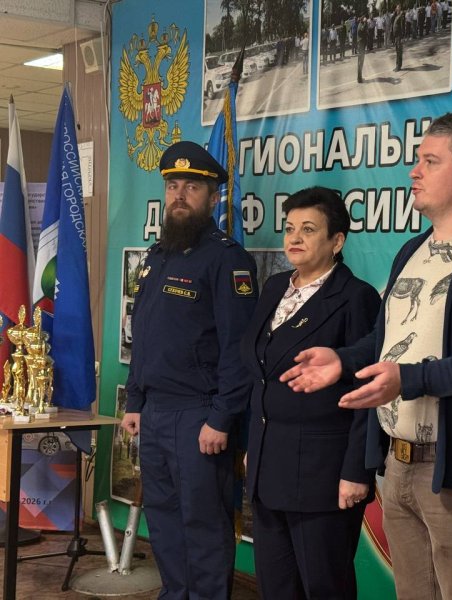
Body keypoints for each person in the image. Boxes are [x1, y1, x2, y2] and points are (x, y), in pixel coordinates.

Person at [281, 113, 452, 599]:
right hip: (396, 462)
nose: (413, 171)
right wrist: (343, 360)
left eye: (430, 161)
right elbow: (386, 343)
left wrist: (410, 379)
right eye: (417, 160)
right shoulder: (412, 251)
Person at [121, 141, 258, 600]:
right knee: (163, 521)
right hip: (155, 413)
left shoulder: (226, 259)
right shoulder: (159, 255)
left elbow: (240, 350)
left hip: (199, 415)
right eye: (172, 186)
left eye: (192, 187)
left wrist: (222, 417)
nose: (179, 195)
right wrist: (135, 400)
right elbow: (145, 335)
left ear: (214, 197)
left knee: (203, 525)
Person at [241, 187, 381, 600]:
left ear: (337, 241)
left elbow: (369, 391)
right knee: (276, 587)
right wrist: (253, 446)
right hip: (268, 468)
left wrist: (357, 470)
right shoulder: (275, 288)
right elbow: (260, 374)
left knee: (324, 588)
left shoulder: (356, 298)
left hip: (323, 477)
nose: (294, 238)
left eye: (308, 229)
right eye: (289, 229)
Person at [392, 4, 404, 71]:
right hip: (396, 36)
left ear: (400, 8)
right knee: (397, 51)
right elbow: (392, 19)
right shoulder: (396, 16)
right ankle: (397, 65)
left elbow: (402, 27)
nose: (397, 8)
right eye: (397, 7)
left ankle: (399, 66)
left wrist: (402, 37)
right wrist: (394, 13)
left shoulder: (401, 16)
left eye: (398, 7)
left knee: (399, 51)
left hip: (399, 36)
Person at [357, 16, 368, 83]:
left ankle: (359, 77)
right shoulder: (361, 25)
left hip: (361, 45)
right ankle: (359, 79)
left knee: (360, 62)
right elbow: (362, 29)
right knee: (360, 62)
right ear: (361, 20)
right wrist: (365, 22)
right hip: (360, 45)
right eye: (363, 19)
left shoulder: (361, 24)